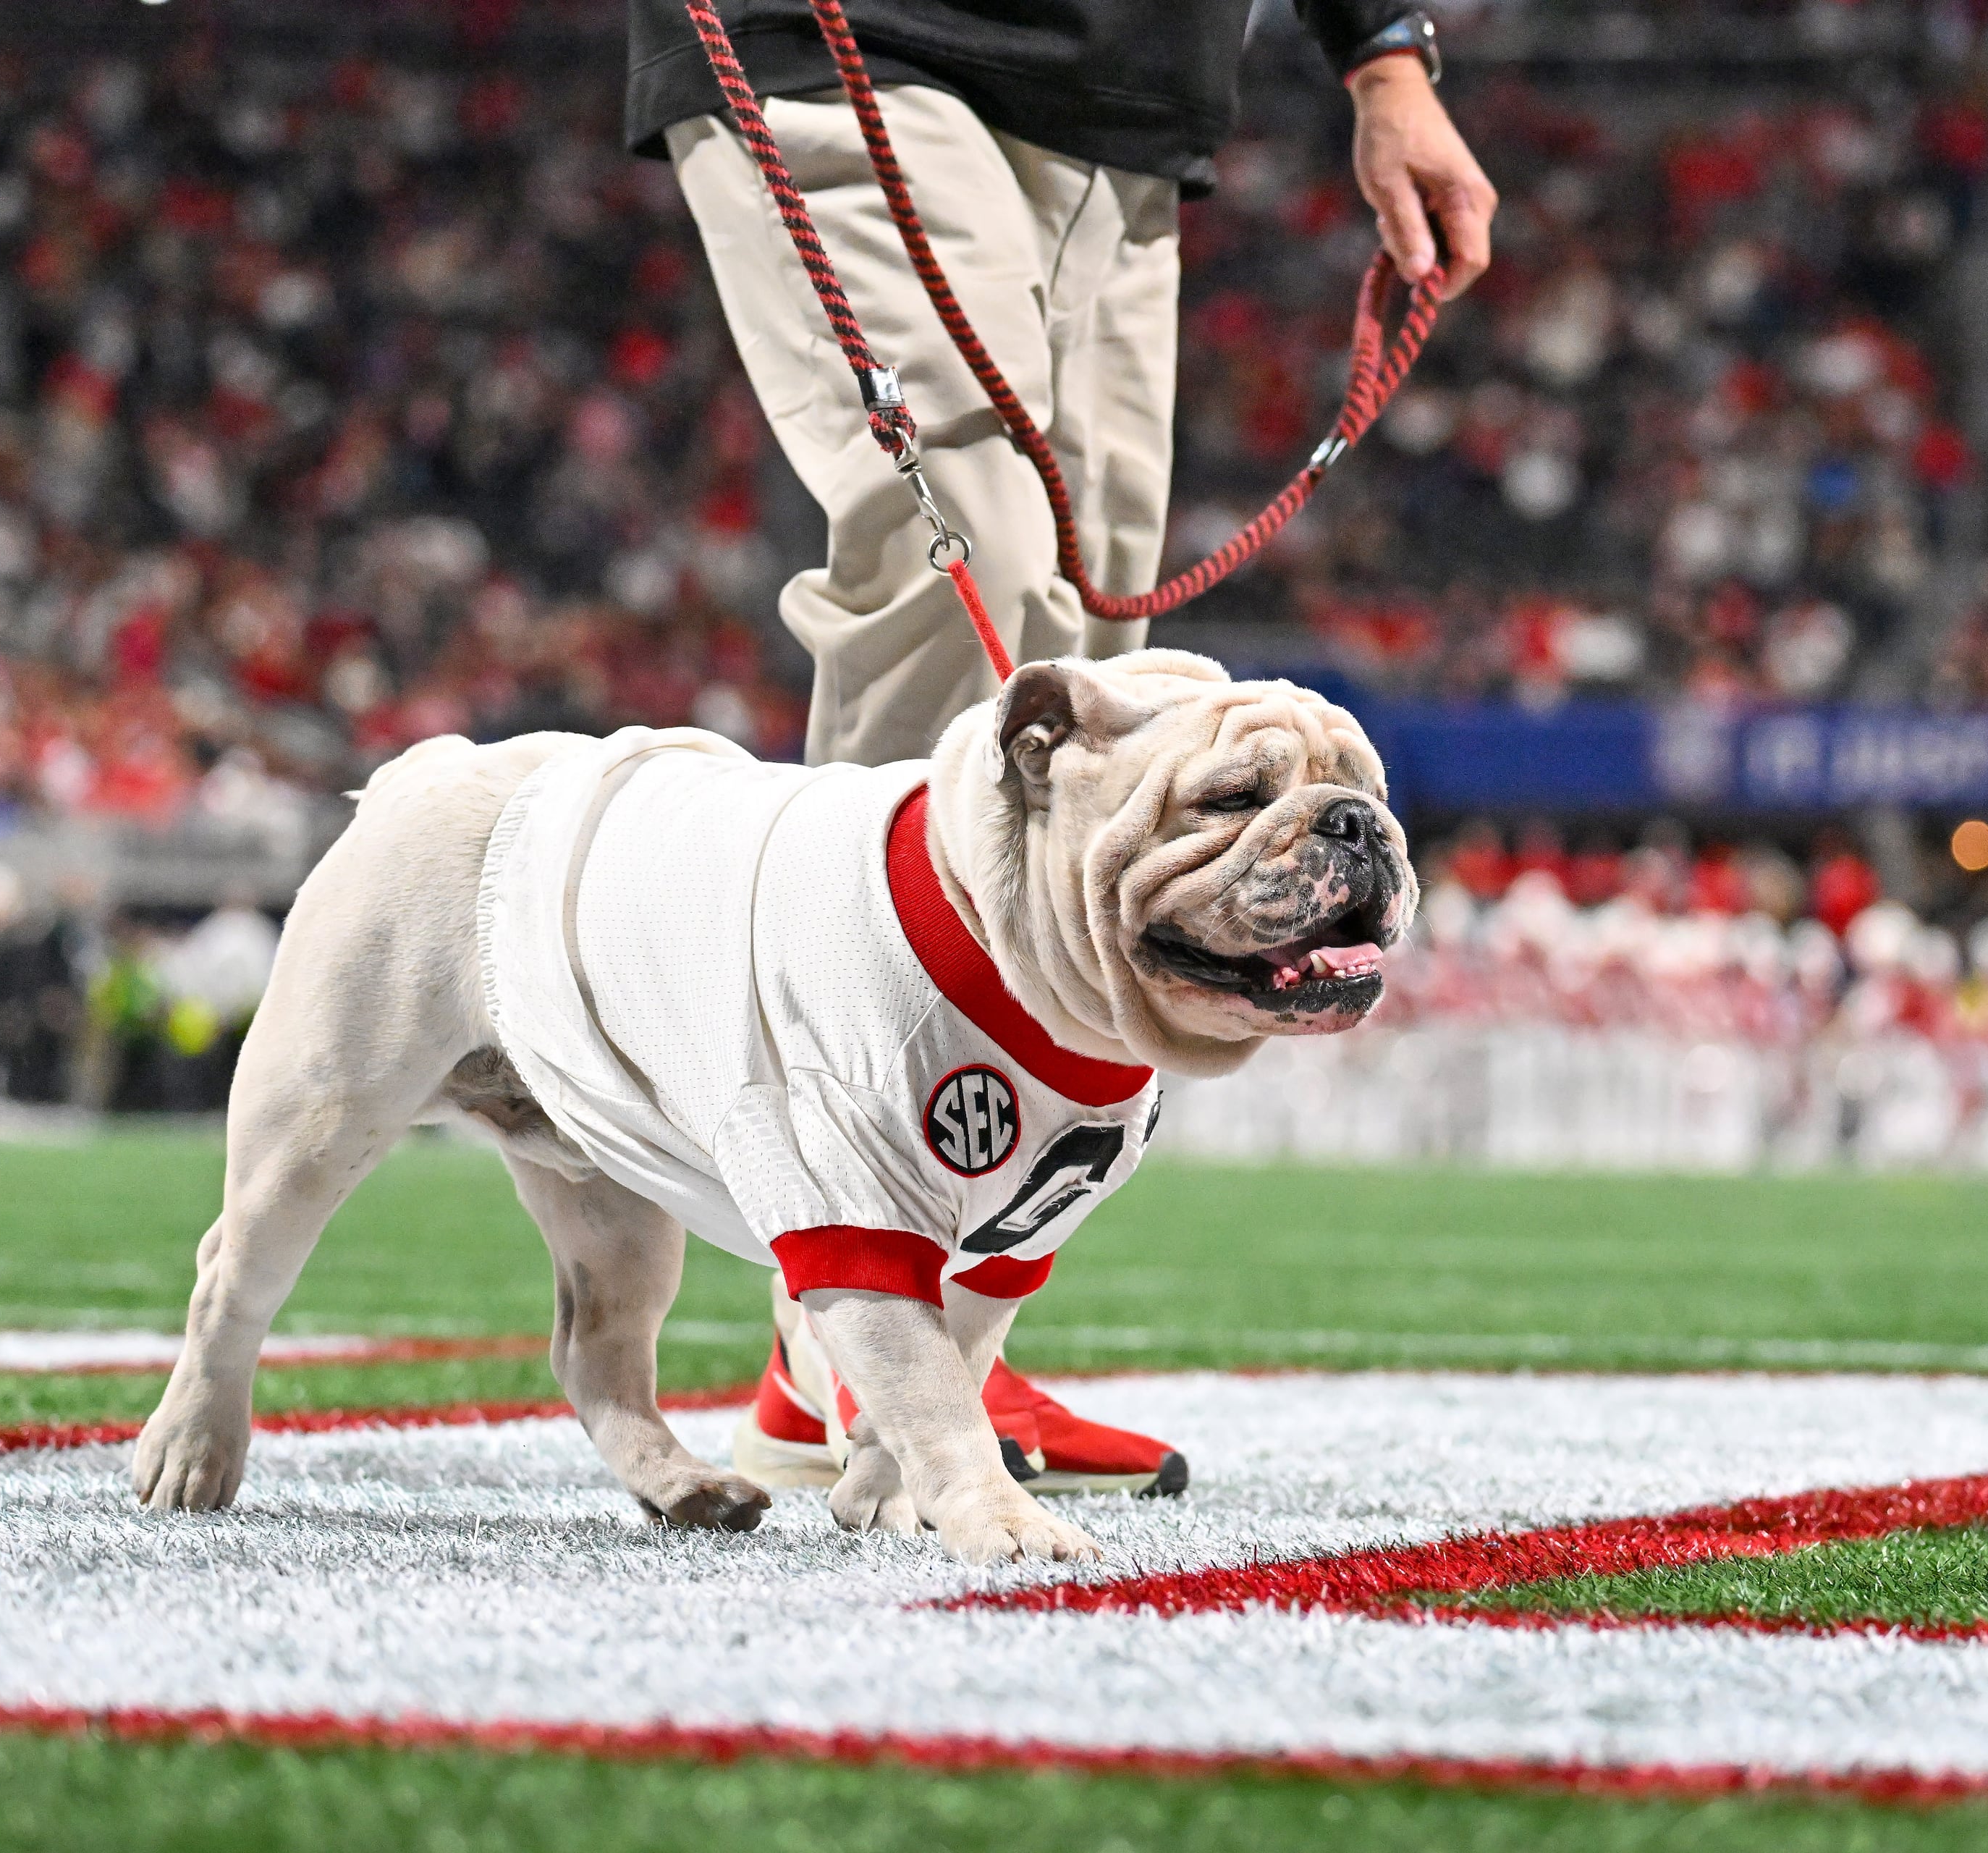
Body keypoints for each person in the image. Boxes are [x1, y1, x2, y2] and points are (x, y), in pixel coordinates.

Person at [629, 0, 1496, 1493]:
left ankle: (913, 1336)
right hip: (865, 35)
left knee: (1081, 701)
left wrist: (1386, 53)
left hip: (1124, 104)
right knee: (961, 576)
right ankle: (859, 1311)